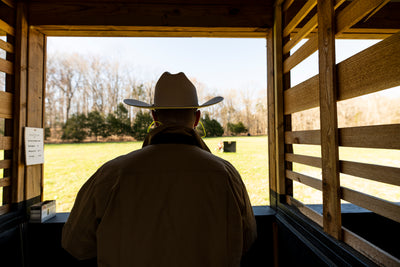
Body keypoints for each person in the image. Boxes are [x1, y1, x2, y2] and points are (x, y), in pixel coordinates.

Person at [62, 72, 257, 266]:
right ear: (197, 118)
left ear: (154, 117)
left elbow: (76, 244)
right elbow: (248, 239)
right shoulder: (226, 174)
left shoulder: (111, 174)